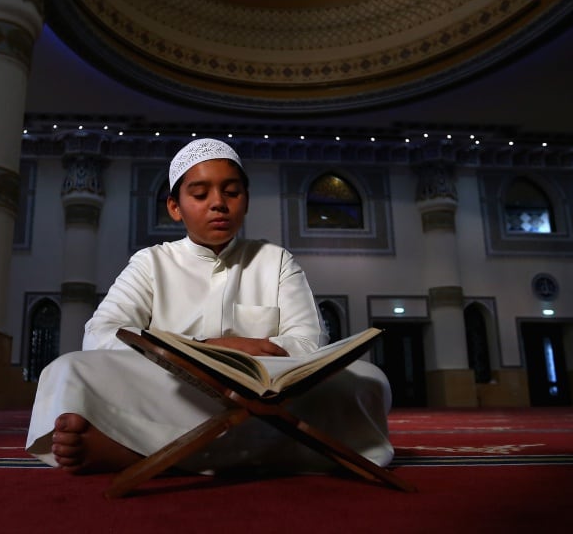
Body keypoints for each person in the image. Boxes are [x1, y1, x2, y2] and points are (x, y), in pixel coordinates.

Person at [25, 138, 394, 475]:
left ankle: (136, 449)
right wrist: (203, 351)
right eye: (200, 194)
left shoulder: (274, 260)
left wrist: (252, 362)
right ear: (175, 206)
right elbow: (101, 334)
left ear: (245, 200)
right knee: (69, 368)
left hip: (266, 393)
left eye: (231, 191)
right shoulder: (151, 263)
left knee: (367, 380)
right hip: (174, 388)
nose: (218, 203)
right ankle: (283, 451)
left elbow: (308, 342)